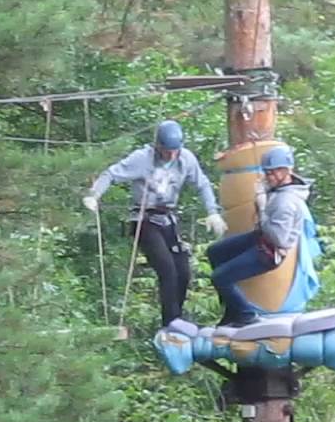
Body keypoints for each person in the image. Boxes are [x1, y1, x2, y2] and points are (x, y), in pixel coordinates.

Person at [83, 120, 227, 335]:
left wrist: (212, 211)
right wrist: (94, 195)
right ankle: (170, 323)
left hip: (167, 219)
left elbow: (202, 184)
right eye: (167, 151)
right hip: (144, 220)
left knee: (183, 270)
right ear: (158, 145)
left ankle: (177, 317)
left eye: (175, 151)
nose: (171, 155)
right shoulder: (142, 158)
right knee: (167, 269)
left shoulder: (186, 159)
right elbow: (111, 174)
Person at [206, 144, 314, 327]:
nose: (269, 177)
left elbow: (278, 238)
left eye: (273, 173)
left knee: (219, 277)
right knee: (215, 252)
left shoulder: (286, 201)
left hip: (270, 253)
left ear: (287, 171)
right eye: (267, 172)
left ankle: (246, 314)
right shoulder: (279, 189)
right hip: (261, 239)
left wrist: (262, 207)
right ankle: (233, 310)